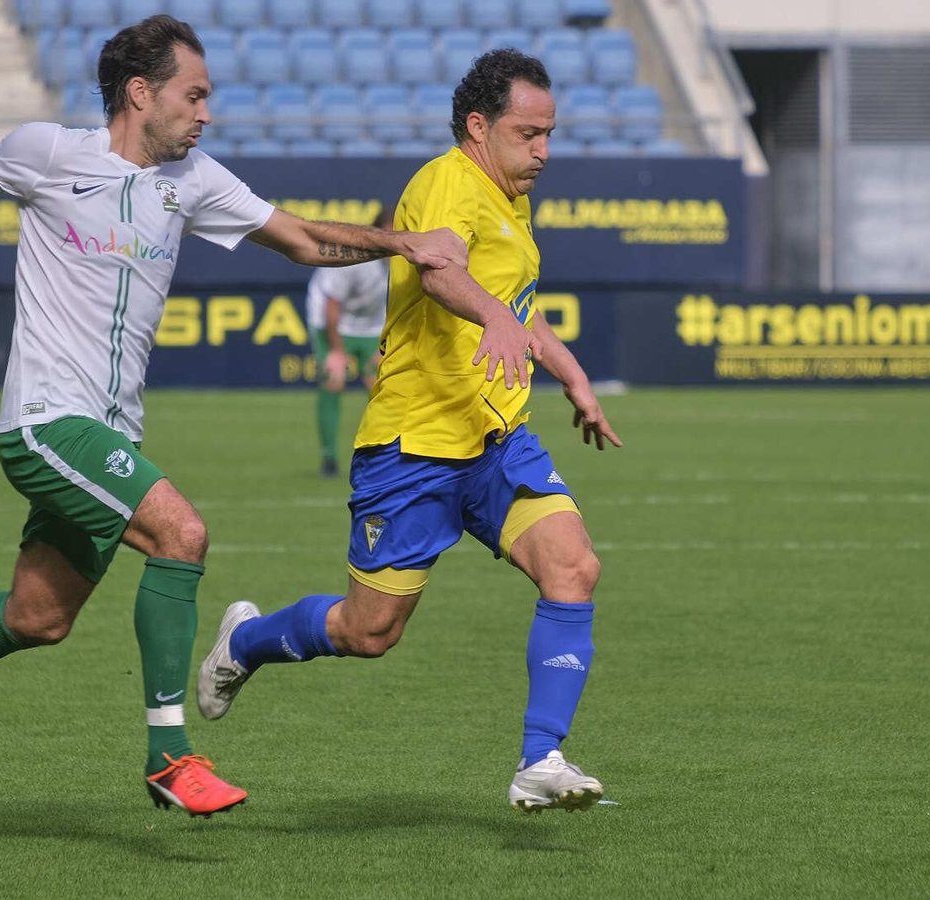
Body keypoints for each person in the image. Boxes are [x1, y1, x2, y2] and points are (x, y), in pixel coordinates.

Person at [0, 15, 466, 816]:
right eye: (194, 94)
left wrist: (402, 243)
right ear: (140, 94)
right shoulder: (49, 153)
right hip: (44, 422)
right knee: (183, 534)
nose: (206, 112)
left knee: (37, 618)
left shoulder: (195, 179)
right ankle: (170, 757)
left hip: (108, 434)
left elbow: (306, 241)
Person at [196, 49, 622, 813]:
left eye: (550, 134)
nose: (544, 152)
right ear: (478, 126)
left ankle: (540, 759)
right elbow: (440, 273)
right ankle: (247, 642)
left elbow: (516, 302)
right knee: (369, 632)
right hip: (413, 446)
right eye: (530, 134)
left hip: (496, 440)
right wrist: (492, 313)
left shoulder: (509, 196)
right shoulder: (443, 183)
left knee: (574, 568)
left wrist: (573, 374)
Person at [308, 206, 393, 477]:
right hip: (331, 320)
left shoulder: (404, 260)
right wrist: (337, 350)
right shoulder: (358, 260)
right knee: (334, 380)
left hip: (371, 325)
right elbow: (332, 305)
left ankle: (383, 455)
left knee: (383, 387)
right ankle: (329, 457)